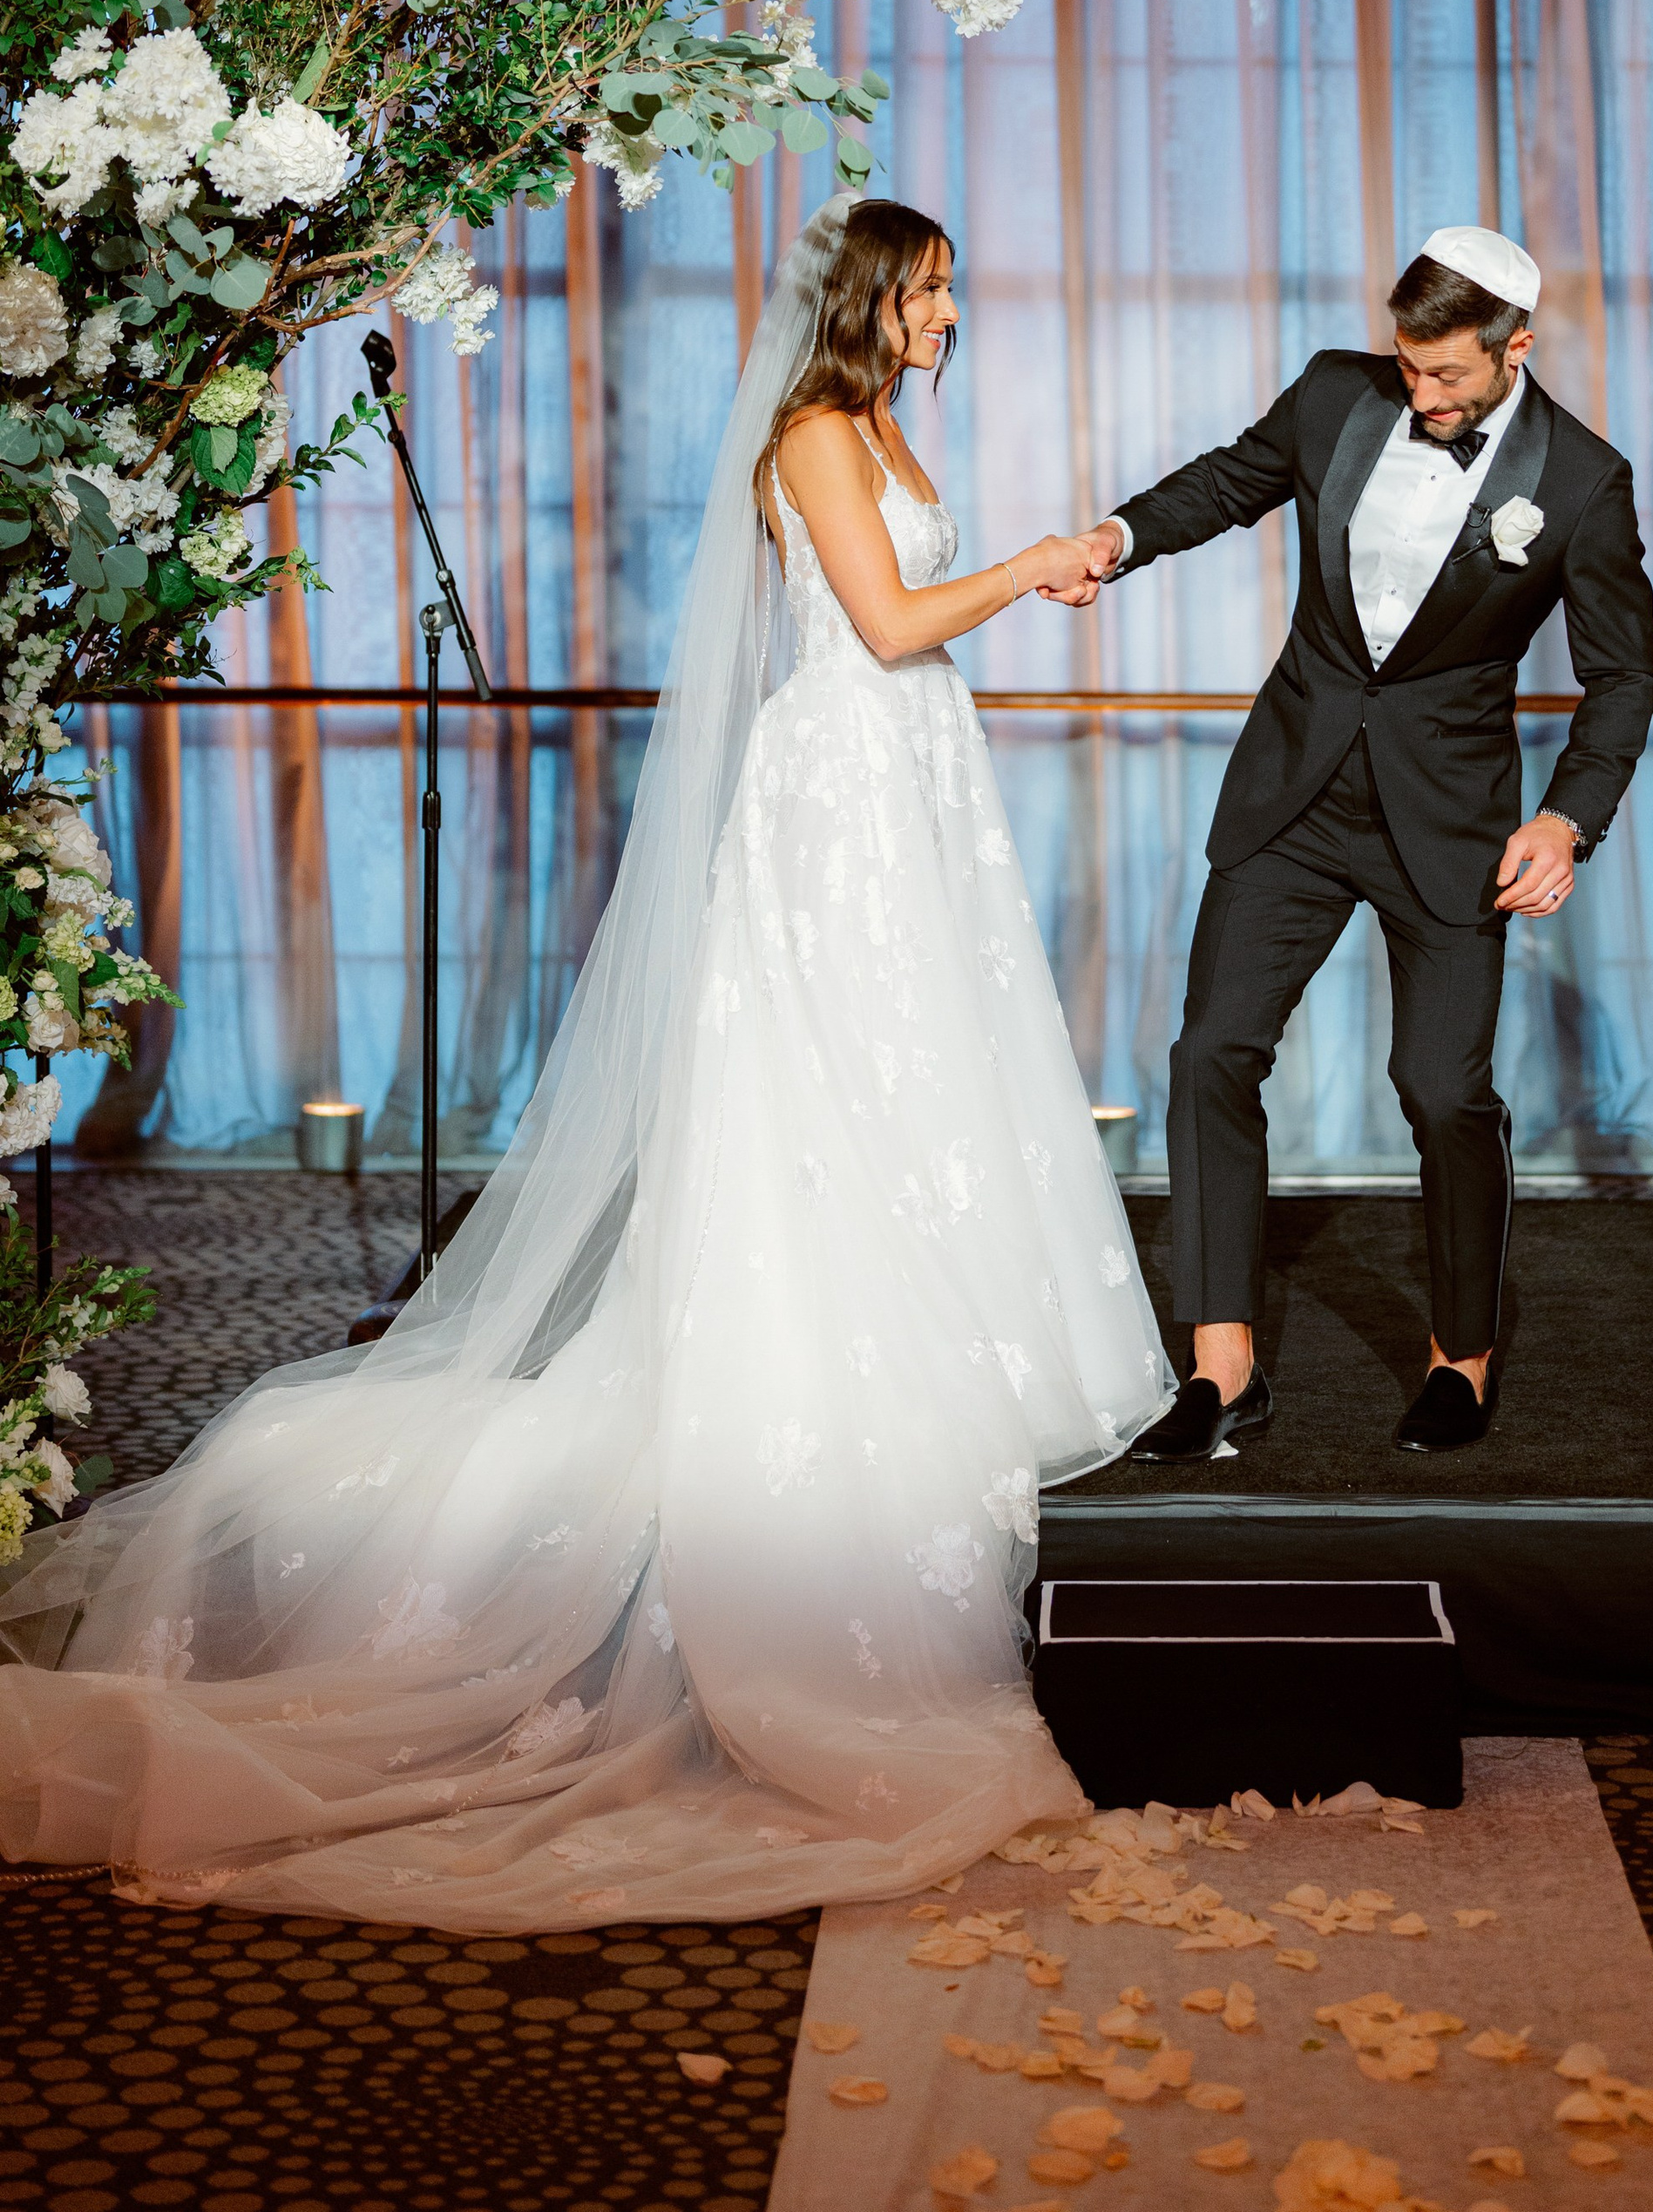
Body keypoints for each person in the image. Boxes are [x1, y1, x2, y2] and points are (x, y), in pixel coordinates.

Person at [0, 197, 1172, 1926]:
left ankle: (928, 1322)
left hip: (896, 783)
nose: (947, 317)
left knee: (907, 1083)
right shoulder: (819, 433)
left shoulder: (876, 425)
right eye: (929, 293)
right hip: (842, 792)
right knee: (835, 1089)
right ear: (873, 303)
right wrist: (1038, 562)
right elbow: (891, 621)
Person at [1067, 227, 1653, 1460]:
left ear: (1515, 352)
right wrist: (1118, 540)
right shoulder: (1342, 392)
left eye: (1448, 375)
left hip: (1449, 825)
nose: (1423, 393)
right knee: (1212, 1054)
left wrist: (1567, 818)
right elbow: (1230, 481)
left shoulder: (1586, 481)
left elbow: (1623, 678)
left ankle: (1463, 1358)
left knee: (1441, 1091)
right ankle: (1221, 1368)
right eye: (1410, 365)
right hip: (1296, 792)